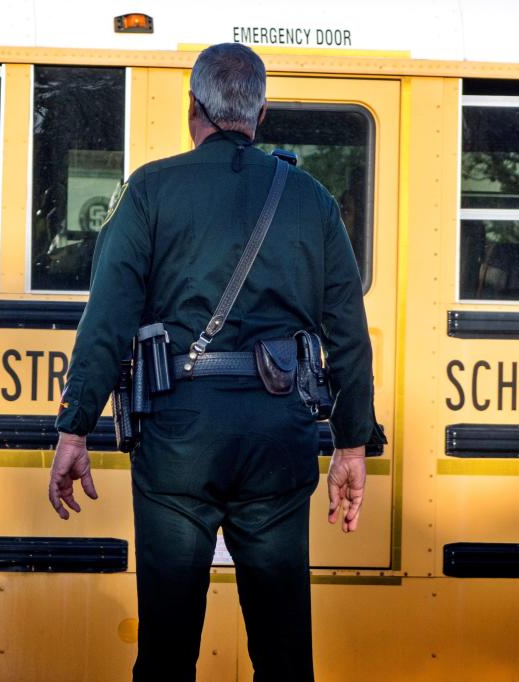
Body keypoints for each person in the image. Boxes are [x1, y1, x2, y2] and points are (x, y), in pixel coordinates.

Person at [48, 43, 382, 681]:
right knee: (284, 655)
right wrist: (352, 445)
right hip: (276, 436)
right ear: (260, 112)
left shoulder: (150, 189)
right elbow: (348, 331)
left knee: (168, 652)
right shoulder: (311, 199)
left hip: (178, 438)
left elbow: (108, 317)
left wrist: (75, 424)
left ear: (193, 108)